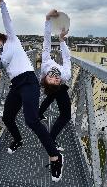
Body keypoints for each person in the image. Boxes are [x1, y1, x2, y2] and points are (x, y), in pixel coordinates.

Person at [0, 0, 63, 182]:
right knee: (7, 117)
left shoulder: (12, 40)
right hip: (16, 85)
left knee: (32, 120)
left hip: (28, 81)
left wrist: (2, 3)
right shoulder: (0, 54)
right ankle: (18, 139)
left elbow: (7, 20)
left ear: (2, 38)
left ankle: (55, 157)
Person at [39, 9, 72, 151]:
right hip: (56, 88)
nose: (54, 76)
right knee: (66, 115)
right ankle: (51, 138)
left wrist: (47, 19)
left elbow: (46, 41)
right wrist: (62, 41)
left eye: (51, 77)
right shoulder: (65, 76)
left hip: (54, 87)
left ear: (45, 76)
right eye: (56, 79)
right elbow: (67, 58)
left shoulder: (46, 64)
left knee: (51, 97)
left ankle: (40, 115)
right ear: (60, 82)